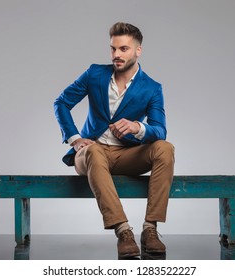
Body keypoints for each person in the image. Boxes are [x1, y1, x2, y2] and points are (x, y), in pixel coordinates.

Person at [54, 22, 175, 259]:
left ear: (138, 51)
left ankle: (150, 229)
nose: (116, 55)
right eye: (113, 49)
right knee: (94, 151)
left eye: (123, 49)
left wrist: (137, 127)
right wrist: (75, 139)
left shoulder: (152, 88)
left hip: (127, 155)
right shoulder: (94, 74)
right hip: (90, 155)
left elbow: (160, 131)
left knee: (165, 148)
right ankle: (123, 231)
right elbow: (61, 103)